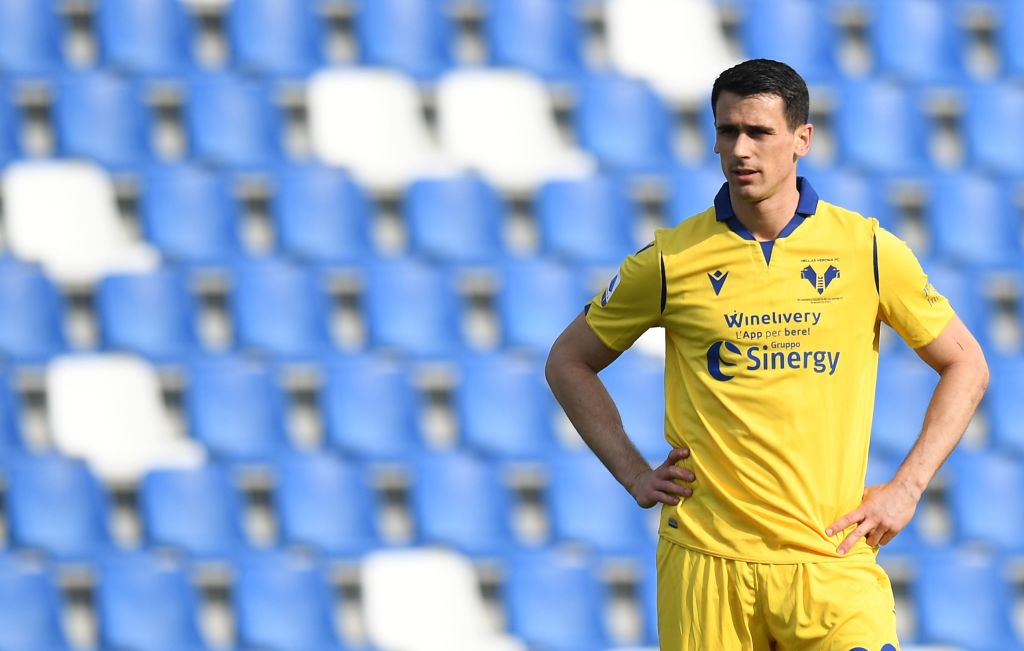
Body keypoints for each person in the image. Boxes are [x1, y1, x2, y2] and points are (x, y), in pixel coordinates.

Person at [544, 58, 989, 650]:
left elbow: (967, 364)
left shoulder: (868, 250)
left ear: (802, 139)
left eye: (759, 132)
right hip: (708, 562)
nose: (741, 149)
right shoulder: (672, 259)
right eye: (728, 131)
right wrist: (633, 473)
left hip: (829, 557)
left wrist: (906, 487)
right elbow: (568, 361)